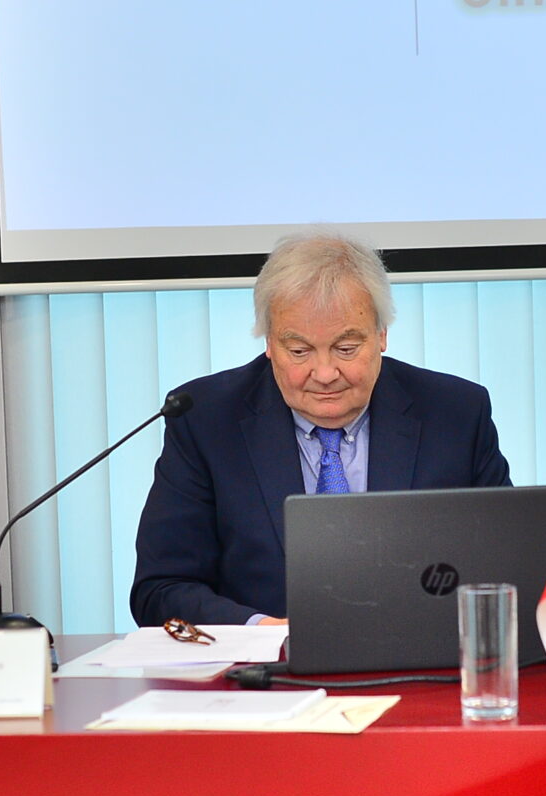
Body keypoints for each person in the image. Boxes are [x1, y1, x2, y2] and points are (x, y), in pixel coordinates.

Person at [130, 231, 513, 626]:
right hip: (266, 662)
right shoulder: (206, 420)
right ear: (269, 343)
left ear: (382, 334)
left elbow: (509, 565)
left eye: (346, 349)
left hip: (420, 653)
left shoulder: (455, 414)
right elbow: (161, 589)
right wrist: (263, 631)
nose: (325, 373)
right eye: (299, 351)